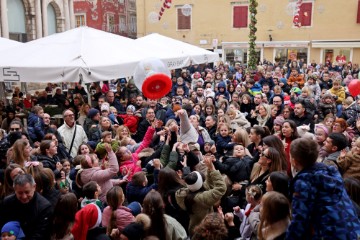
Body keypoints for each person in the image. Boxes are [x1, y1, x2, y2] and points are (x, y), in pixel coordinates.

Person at [286, 138, 360, 239]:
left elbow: (300, 221)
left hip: (330, 234)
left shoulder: (303, 182)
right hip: (352, 229)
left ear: (294, 160)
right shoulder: (331, 172)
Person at [176, 155, 227, 235]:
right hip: (205, 231)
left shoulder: (183, 193)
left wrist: (210, 168)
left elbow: (207, 185)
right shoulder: (201, 198)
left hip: (194, 229)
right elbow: (221, 188)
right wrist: (213, 169)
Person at [0, 174, 53, 240]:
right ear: (14, 190)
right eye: (20, 193)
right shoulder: (7, 202)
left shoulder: (44, 207)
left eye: (27, 192)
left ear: (34, 187)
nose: (24, 196)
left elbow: (40, 234)